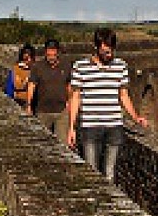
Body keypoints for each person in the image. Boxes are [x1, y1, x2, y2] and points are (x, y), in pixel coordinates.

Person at [68, 27, 147, 181]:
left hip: (114, 125)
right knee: (91, 171)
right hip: (89, 125)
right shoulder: (80, 66)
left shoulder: (121, 66)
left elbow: (123, 95)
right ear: (96, 48)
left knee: (110, 172)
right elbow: (75, 97)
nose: (109, 55)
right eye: (105, 52)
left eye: (111, 51)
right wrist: (71, 127)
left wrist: (136, 117)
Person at [27, 39, 71, 144]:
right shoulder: (37, 67)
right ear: (45, 52)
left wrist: (69, 102)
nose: (51, 57)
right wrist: (28, 105)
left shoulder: (66, 66)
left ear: (58, 52)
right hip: (42, 111)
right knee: (41, 143)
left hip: (61, 112)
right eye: (49, 54)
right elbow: (31, 85)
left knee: (62, 144)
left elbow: (69, 85)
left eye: (53, 54)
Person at [4, 43, 35, 109]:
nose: (28, 60)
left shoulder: (34, 70)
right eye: (26, 58)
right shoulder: (15, 70)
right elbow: (9, 89)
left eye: (30, 57)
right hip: (18, 101)